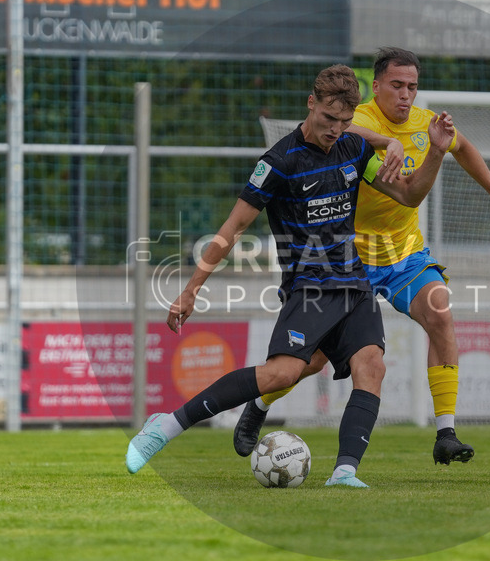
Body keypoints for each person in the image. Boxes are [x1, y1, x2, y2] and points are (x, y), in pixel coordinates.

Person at [125, 64, 456, 488]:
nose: (334, 129)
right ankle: (166, 425)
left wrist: (434, 152)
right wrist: (191, 290)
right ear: (310, 103)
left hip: (354, 283)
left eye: (344, 121)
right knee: (281, 374)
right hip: (309, 287)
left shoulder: (354, 147)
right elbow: (232, 228)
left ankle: (344, 473)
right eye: (328, 118)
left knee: (372, 366)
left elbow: (409, 194)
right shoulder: (279, 162)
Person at [233, 47, 490, 465]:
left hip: (403, 253)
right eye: (396, 85)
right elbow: (344, 129)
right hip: (349, 259)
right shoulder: (354, 119)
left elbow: (462, 148)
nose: (405, 94)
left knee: (440, 312)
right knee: (312, 361)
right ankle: (260, 404)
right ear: (376, 87)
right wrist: (386, 141)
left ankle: (445, 432)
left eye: (412, 86)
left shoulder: (427, 123)